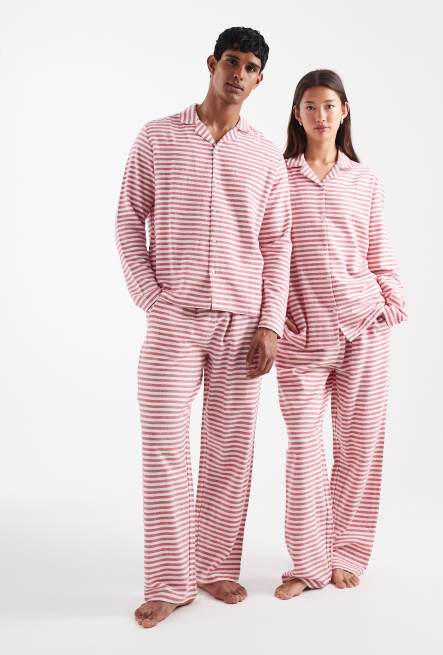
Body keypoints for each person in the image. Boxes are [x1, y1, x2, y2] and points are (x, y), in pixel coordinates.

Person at [115, 26, 292, 627]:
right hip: (174, 323)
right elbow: (128, 220)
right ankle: (170, 580)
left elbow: (277, 244)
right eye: (232, 62)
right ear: (212, 63)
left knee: (229, 450)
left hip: (243, 325)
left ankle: (215, 565)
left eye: (251, 68)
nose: (239, 74)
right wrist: (152, 299)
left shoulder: (265, 156)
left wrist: (271, 323)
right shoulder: (158, 137)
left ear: (260, 80)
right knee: (165, 447)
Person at [273, 69, 407, 600]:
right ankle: (307, 563)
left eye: (329, 106)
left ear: (344, 111)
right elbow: (267, 255)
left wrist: (390, 300)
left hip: (363, 328)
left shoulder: (365, 180)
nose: (320, 115)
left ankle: (347, 552)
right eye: (310, 106)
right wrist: (275, 317)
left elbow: (378, 250)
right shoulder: (277, 177)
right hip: (300, 337)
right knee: (304, 450)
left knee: (359, 447)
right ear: (297, 114)